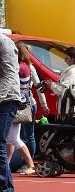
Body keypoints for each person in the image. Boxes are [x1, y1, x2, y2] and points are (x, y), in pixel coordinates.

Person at [6, 43, 40, 175]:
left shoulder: (19, 67)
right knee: (12, 137)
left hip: (16, 104)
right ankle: (6, 164)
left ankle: (30, 164)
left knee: (14, 138)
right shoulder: (27, 66)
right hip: (23, 102)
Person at [14, 42, 48, 171]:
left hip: (25, 104)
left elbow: (39, 87)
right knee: (20, 135)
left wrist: (44, 105)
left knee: (26, 135)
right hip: (27, 103)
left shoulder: (25, 67)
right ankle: (23, 162)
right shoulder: (25, 66)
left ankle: (29, 162)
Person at [1, 34, 24, 192]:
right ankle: (7, 190)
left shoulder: (5, 43)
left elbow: (10, 74)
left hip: (8, 98)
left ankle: (3, 190)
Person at [45, 45, 75, 117]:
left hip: (69, 110)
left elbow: (65, 90)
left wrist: (52, 85)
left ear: (73, 59)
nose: (65, 61)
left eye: (66, 58)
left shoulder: (72, 71)